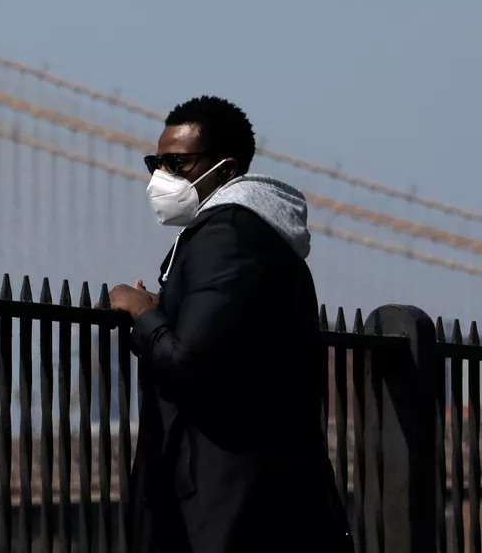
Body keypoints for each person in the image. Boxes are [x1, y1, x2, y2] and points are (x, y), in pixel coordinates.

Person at [106, 96, 354, 552]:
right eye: (155, 163)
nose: (162, 177)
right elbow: (234, 339)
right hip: (265, 486)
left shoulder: (225, 234)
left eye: (177, 163)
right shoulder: (261, 234)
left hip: (225, 497)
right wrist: (170, 308)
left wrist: (142, 312)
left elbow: (190, 363)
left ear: (225, 167)